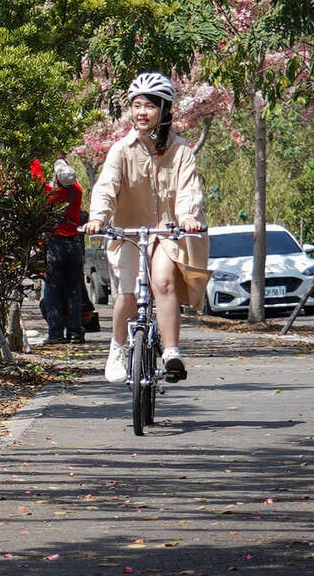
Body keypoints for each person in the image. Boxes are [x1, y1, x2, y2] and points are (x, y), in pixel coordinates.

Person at [78, 71, 207, 383]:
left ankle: (172, 352)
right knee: (128, 293)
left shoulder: (180, 151)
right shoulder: (122, 149)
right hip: (128, 233)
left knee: (163, 282)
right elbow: (107, 186)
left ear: (164, 110)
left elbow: (189, 190)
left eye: (149, 106)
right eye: (136, 105)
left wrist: (188, 217)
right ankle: (118, 348)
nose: (141, 112)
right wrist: (98, 217)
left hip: (168, 232)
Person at [33, 157, 86, 343]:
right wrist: (63, 161)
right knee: (74, 290)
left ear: (57, 178)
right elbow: (70, 178)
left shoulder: (50, 192)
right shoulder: (77, 191)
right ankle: (74, 332)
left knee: (52, 289)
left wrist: (36, 159)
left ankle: (55, 333)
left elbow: (36, 177)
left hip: (56, 245)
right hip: (74, 244)